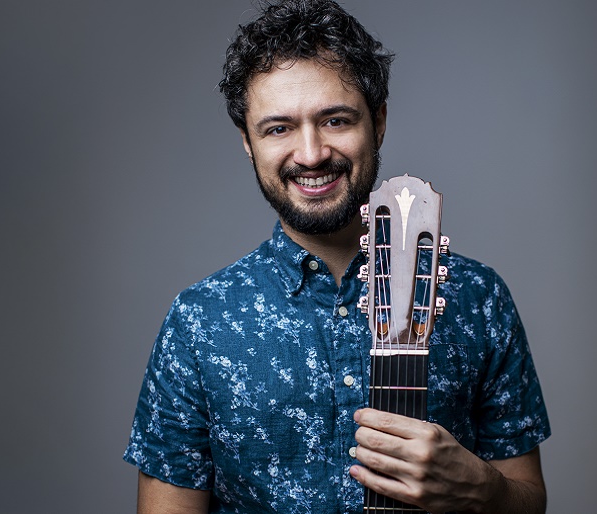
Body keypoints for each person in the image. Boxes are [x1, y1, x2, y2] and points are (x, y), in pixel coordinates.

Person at [123, 1, 551, 512]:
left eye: (335, 120)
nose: (311, 154)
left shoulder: (479, 298)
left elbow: (528, 500)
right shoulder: (197, 324)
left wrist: (483, 489)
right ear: (247, 142)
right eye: (278, 128)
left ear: (380, 121)